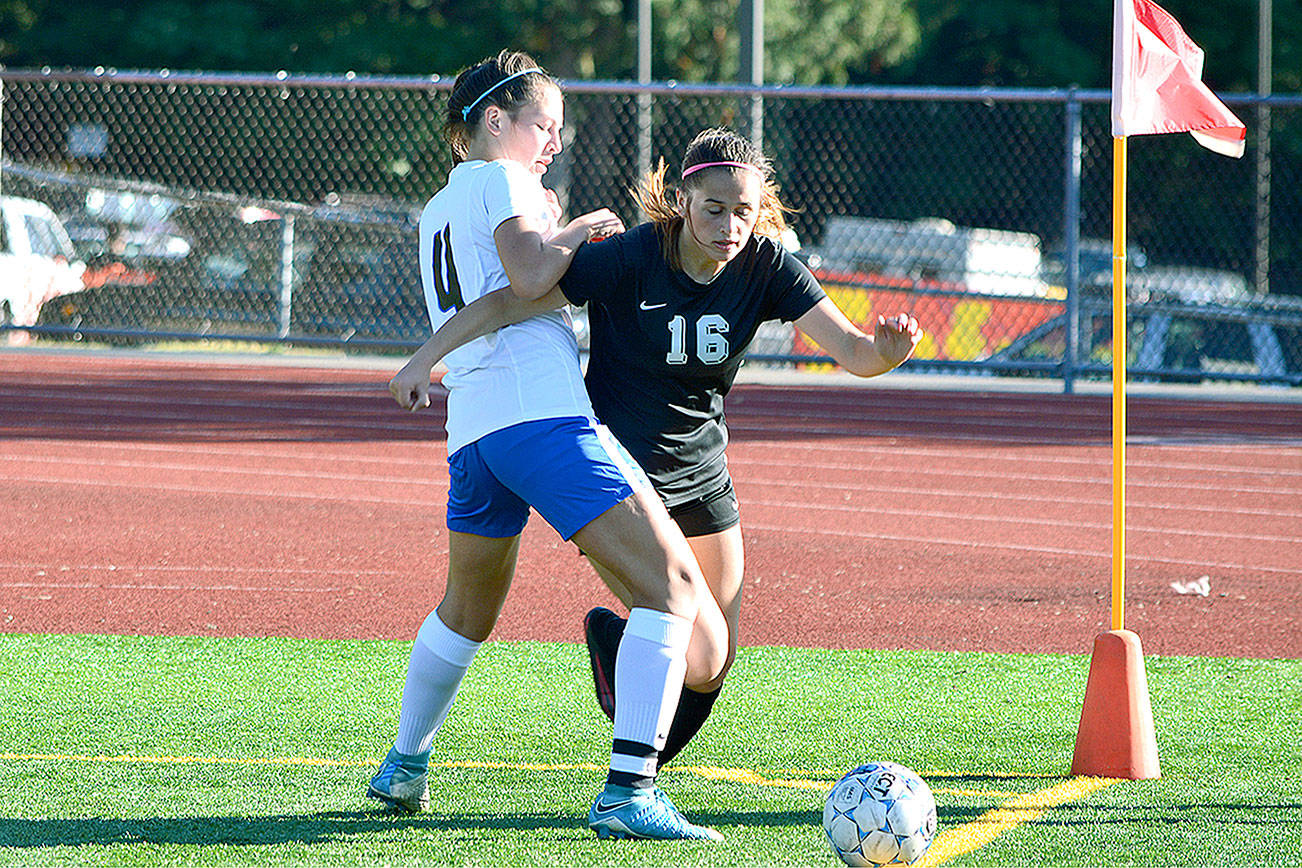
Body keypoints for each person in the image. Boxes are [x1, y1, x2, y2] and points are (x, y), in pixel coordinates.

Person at [389, 127, 921, 775]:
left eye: (743, 211)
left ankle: (637, 763)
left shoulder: (768, 267)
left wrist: (886, 352)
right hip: (626, 476)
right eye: (713, 209)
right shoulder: (634, 255)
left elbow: (855, 352)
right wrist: (426, 358)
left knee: (712, 665)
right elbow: (509, 303)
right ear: (684, 200)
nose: (729, 226)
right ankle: (630, 768)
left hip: (703, 477)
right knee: (696, 645)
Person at [370, 51, 730, 843]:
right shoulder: (504, 177)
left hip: (475, 431)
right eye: (545, 125)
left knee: (467, 610)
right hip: (538, 417)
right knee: (673, 589)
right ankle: (630, 792)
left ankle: (403, 763)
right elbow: (530, 276)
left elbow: (503, 289)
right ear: (496, 120)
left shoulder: (439, 204)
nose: (554, 143)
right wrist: (578, 228)